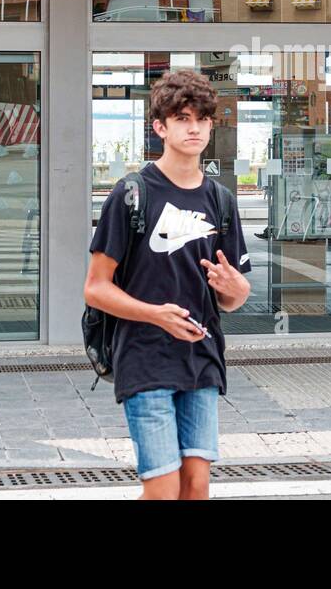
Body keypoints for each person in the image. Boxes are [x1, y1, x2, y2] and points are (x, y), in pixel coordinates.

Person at [84, 69, 251, 500]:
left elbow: (232, 299)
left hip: (202, 356)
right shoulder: (131, 194)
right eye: (181, 118)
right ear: (160, 127)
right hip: (144, 356)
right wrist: (155, 314)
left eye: (201, 118)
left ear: (212, 125)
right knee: (162, 489)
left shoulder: (221, 201)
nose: (193, 127)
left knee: (195, 488)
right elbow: (96, 288)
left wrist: (235, 290)